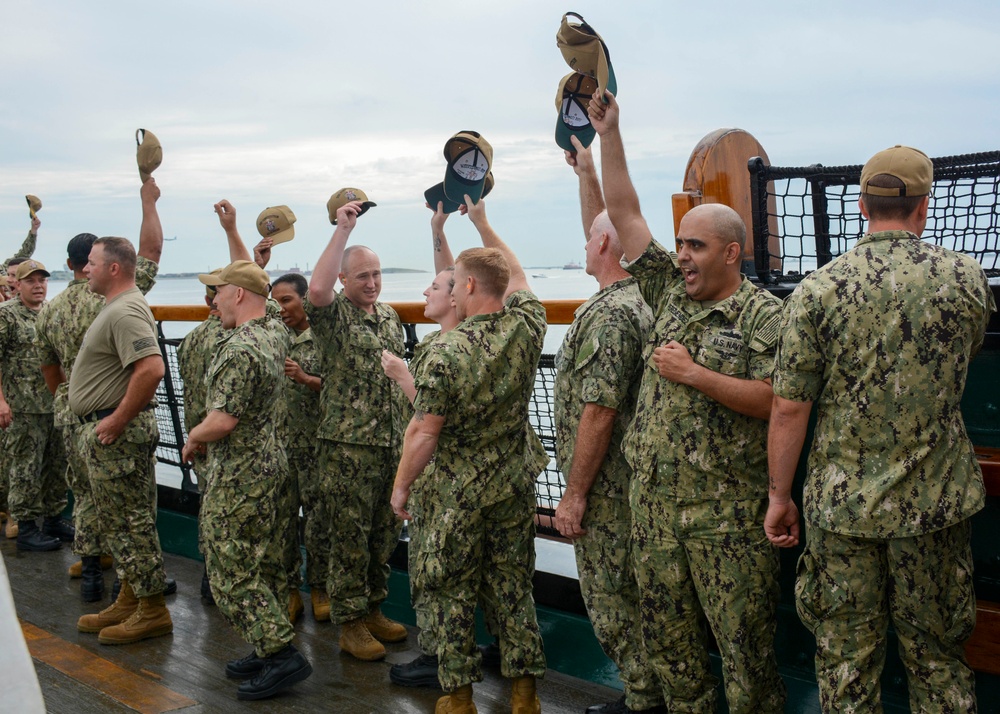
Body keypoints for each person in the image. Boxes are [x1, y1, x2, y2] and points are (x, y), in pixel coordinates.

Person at [766, 145, 996, 712]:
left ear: (863, 206)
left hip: (842, 512)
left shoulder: (817, 290)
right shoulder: (964, 278)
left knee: (845, 658)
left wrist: (779, 497)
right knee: (938, 658)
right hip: (935, 505)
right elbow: (967, 351)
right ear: (923, 207)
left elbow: (790, 405)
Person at [588, 90, 786, 713]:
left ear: (731, 252)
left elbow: (777, 402)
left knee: (744, 653)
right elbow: (624, 211)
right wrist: (609, 134)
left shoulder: (766, 317)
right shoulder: (670, 291)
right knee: (670, 647)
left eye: (695, 247)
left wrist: (696, 373)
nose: (682, 257)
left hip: (725, 519)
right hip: (654, 514)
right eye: (679, 245)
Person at [391, 196, 549, 714]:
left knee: (448, 589)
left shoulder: (443, 352)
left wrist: (401, 486)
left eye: (455, 282)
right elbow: (519, 275)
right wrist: (482, 223)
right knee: (512, 588)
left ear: (471, 288)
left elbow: (423, 432)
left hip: (457, 491)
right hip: (511, 484)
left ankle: (458, 698)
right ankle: (524, 694)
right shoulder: (526, 327)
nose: (451, 287)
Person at [553, 137, 661, 714]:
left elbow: (599, 410)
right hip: (630, 482)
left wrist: (574, 495)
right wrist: (586, 170)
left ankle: (645, 700)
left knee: (613, 597)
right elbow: (604, 225)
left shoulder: (611, 314)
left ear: (598, 247)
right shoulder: (641, 296)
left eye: (590, 240)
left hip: (608, 490)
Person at [183, 255, 312, 701]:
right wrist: (251, 260)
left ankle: (280, 652)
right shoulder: (274, 329)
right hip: (271, 465)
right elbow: (266, 300)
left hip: (239, 473)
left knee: (228, 566)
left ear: (237, 295)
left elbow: (221, 421)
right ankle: (265, 643)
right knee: (262, 560)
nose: (213, 301)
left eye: (218, 291)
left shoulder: (240, 349)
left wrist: (193, 437)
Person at [36, 180, 165, 601]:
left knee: (88, 495)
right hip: (113, 412)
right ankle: (128, 588)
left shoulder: (51, 310)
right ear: (86, 263)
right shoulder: (112, 297)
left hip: (79, 415)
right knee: (130, 508)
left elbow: (48, 365)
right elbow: (149, 254)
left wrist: (66, 399)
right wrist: (148, 203)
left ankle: (92, 572)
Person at [306, 199, 410, 661]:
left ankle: (372, 609)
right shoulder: (334, 316)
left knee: (383, 533)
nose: (371, 283)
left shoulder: (387, 317)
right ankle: (349, 622)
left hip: (390, 444)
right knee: (349, 536)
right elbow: (316, 290)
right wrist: (342, 232)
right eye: (362, 276)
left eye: (376, 274)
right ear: (345, 279)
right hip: (348, 447)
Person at [70, 235, 171, 645]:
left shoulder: (127, 309)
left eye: (92, 263)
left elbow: (151, 368)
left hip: (118, 436)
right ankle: (131, 597)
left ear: (113, 268)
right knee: (119, 522)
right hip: (108, 434)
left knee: (131, 523)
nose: (85, 269)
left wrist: (115, 420)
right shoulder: (114, 306)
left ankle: (152, 609)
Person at [384, 200, 461, 688]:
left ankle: (440, 660)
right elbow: (453, 280)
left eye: (432, 288)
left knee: (435, 570)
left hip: (444, 475)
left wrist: (402, 376)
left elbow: (433, 417)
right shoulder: (477, 333)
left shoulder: (447, 349)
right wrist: (437, 228)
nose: (426, 290)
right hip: (461, 474)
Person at [0, 259, 71, 552]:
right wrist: (1, 401)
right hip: (23, 407)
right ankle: (27, 526)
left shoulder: (51, 313)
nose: (38, 285)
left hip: (54, 403)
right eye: (31, 281)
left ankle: (54, 518)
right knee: (25, 468)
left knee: (56, 466)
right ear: (18, 284)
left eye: (42, 280)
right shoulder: (7, 316)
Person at [271, 272, 327, 622]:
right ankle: (289, 589)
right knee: (281, 521)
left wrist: (306, 379)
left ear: (306, 299)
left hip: (317, 447)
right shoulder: (273, 337)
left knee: (319, 523)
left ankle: (320, 588)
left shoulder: (324, 338)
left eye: (286, 300)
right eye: (274, 302)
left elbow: (346, 387)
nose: (280, 309)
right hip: (280, 447)